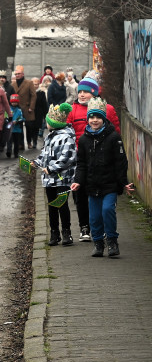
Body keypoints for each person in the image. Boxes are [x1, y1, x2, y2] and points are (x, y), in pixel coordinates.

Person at [70, 97, 134, 257]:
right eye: (91, 117)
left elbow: (121, 162)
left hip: (110, 184)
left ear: (104, 118)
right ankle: (98, 243)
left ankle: (112, 241)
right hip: (92, 185)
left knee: (107, 211)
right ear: (88, 119)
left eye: (98, 117)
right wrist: (78, 180)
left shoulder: (113, 138)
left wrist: (123, 183)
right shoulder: (84, 139)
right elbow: (82, 163)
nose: (94, 120)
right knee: (95, 217)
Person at [65, 75, 120, 242]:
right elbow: (67, 132)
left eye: (86, 92)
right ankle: (84, 227)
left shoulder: (107, 109)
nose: (82, 95)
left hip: (102, 158)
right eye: (80, 91)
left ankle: (102, 228)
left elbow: (116, 131)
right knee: (79, 193)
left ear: (94, 94)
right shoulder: (72, 110)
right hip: (80, 158)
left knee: (100, 196)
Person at [33, 103, 76, 246]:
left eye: (48, 122)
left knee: (62, 204)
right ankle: (54, 232)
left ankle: (66, 232)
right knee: (51, 205)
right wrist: (36, 163)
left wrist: (51, 169)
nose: (46, 124)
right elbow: (44, 154)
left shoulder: (67, 137)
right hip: (48, 179)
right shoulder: (50, 136)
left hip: (63, 178)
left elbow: (67, 158)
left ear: (54, 123)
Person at [10, 65, 39, 149]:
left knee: (29, 126)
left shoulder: (29, 83)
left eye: (19, 74)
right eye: (16, 74)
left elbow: (34, 95)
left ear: (23, 74)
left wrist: (31, 107)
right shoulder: (13, 84)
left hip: (27, 108)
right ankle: (21, 143)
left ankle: (29, 142)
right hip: (17, 108)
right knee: (19, 127)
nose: (17, 75)